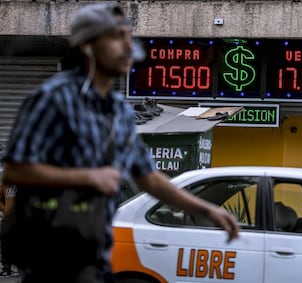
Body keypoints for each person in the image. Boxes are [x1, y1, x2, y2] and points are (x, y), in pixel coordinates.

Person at [1, 3, 239, 283]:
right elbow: (17, 170)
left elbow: (150, 178)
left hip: (95, 253)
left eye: (128, 36)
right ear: (88, 46)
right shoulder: (53, 99)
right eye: (116, 37)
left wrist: (205, 209)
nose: (128, 46)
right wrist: (88, 176)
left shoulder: (119, 110)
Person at [0, 184, 16, 276]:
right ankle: (6, 268)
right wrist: (5, 209)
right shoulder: (6, 185)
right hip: (8, 218)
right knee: (6, 243)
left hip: (24, 218)